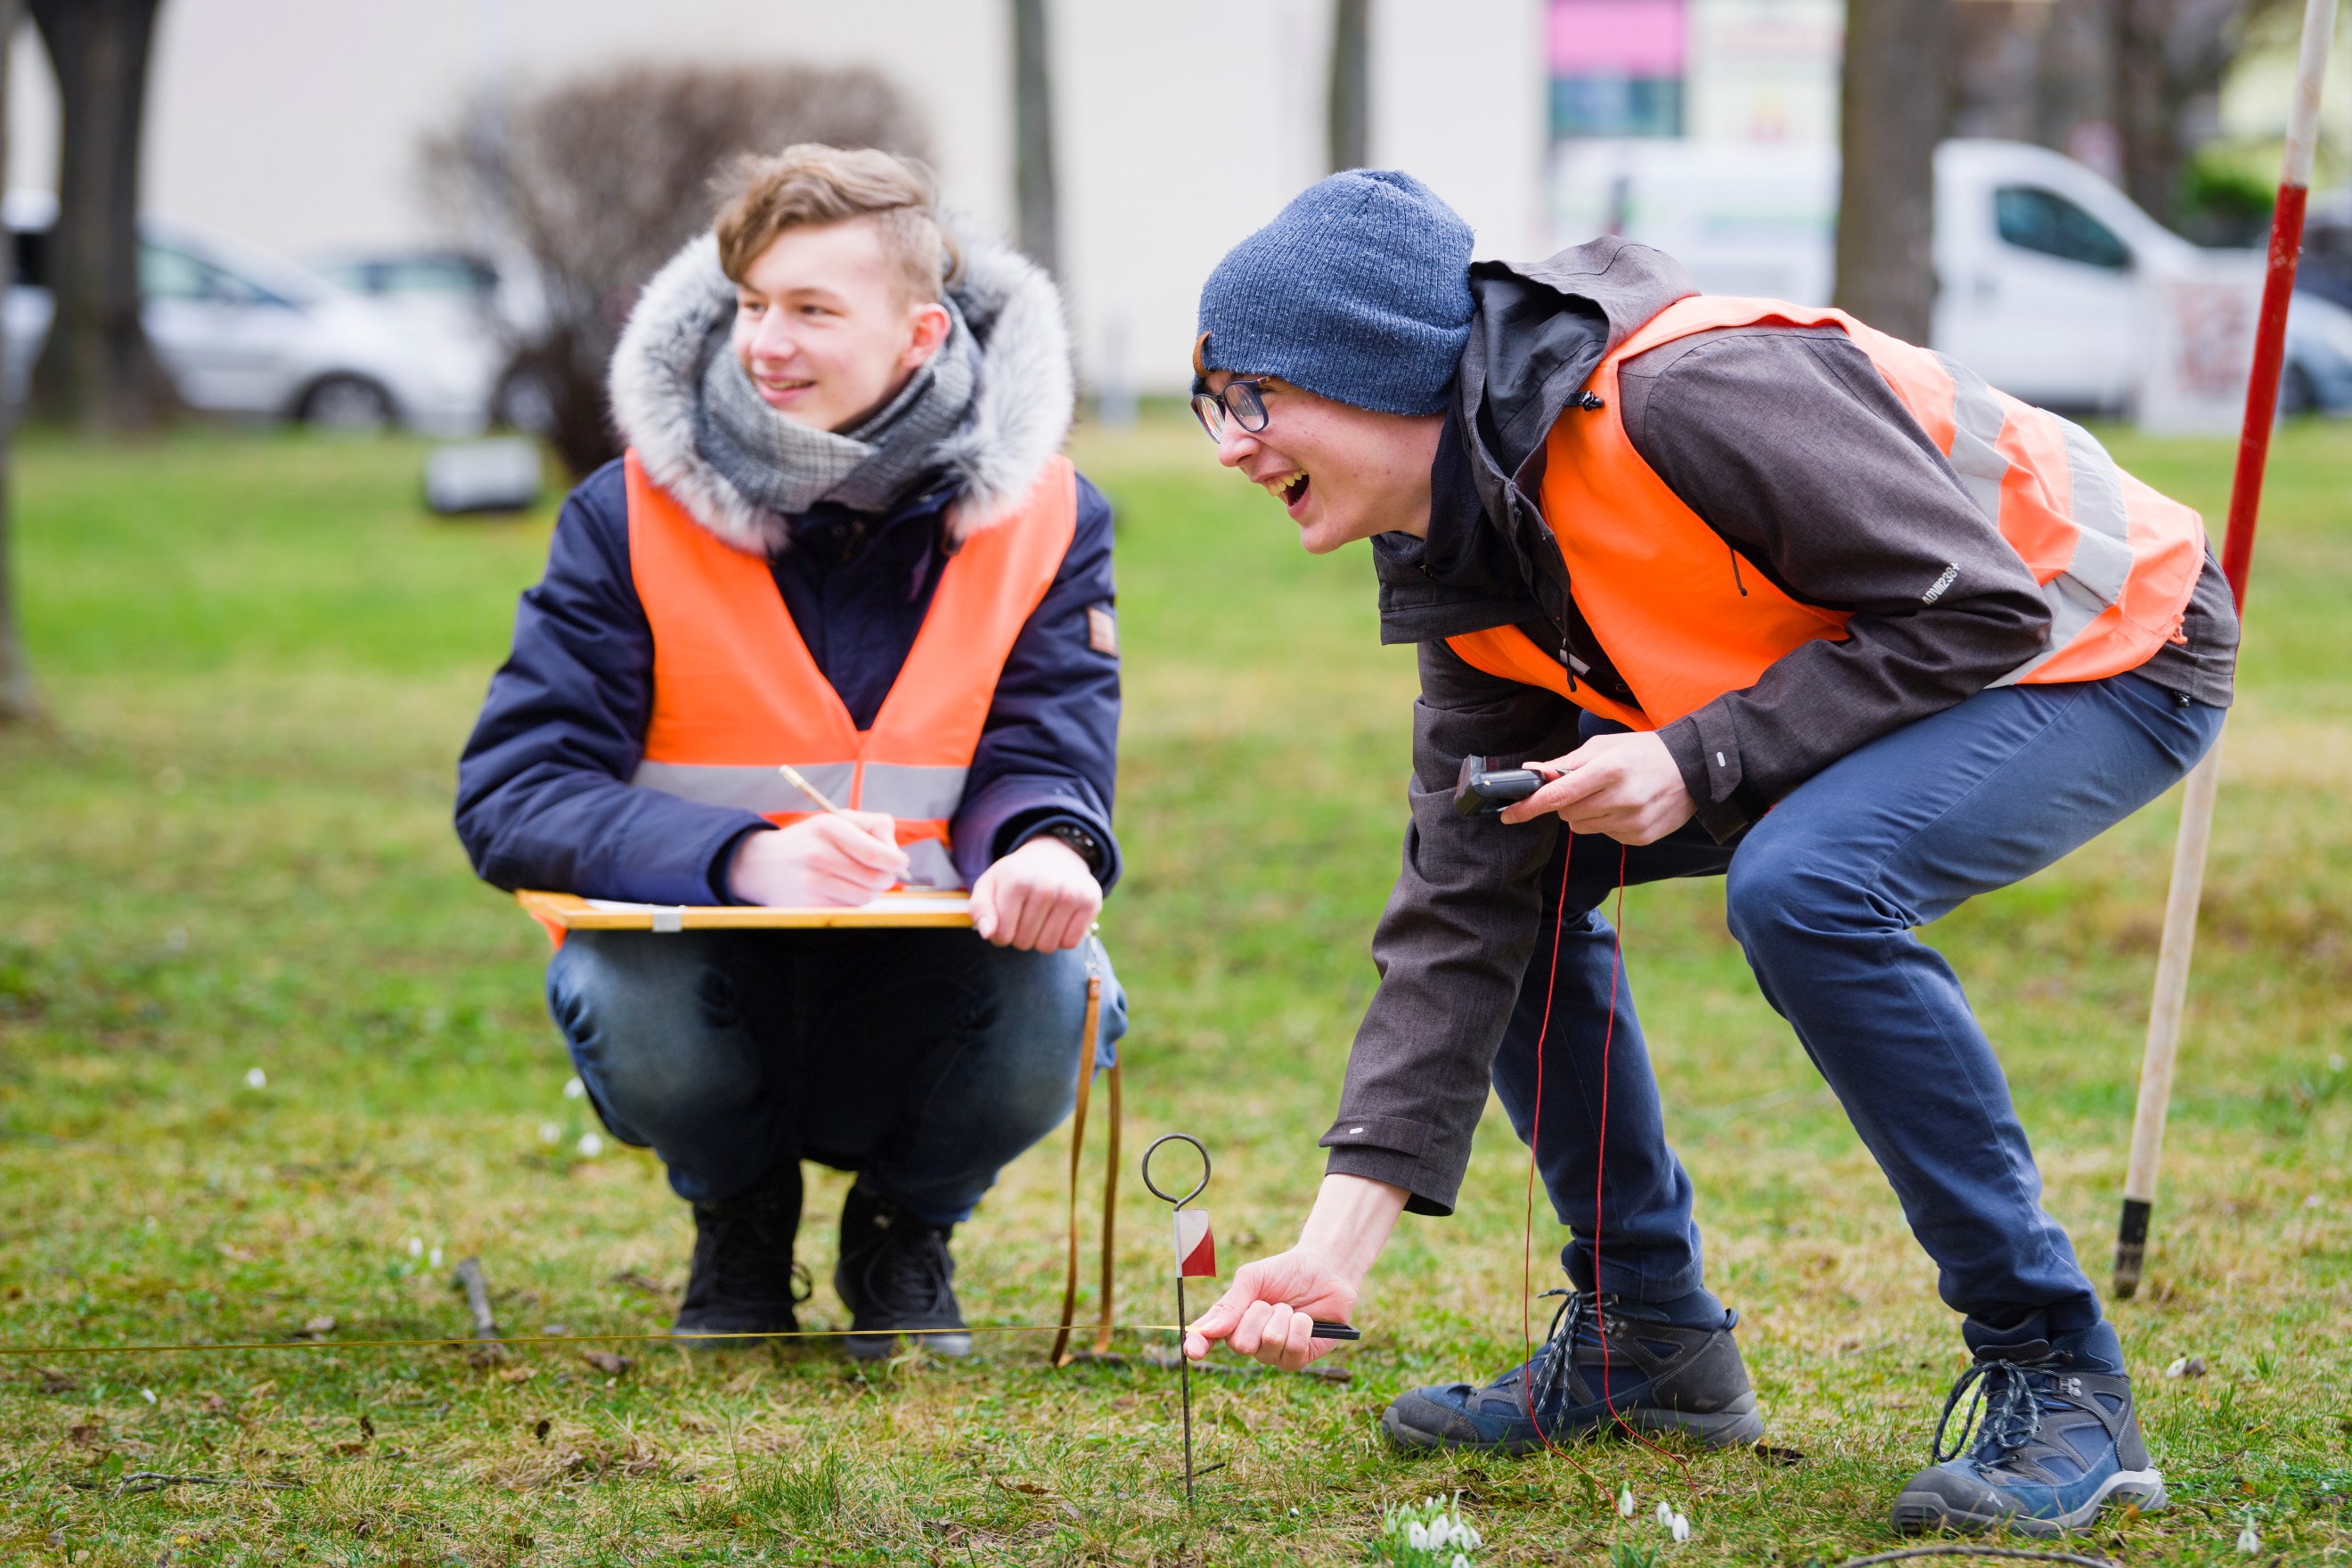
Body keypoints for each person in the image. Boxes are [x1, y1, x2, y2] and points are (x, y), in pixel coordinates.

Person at [1179, 170, 2235, 1538]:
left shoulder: (1687, 392)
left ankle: (2062, 1376)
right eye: (1213, 408)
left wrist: (1691, 759)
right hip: (1893, 668)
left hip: (2101, 642)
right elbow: (1460, 907)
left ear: (1379, 370)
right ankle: (1650, 1342)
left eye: (1250, 398)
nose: (1226, 447)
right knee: (1520, 850)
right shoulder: (1464, 553)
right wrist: (1331, 1253)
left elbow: (1977, 606)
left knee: (1807, 887)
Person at [455, 144, 1127, 1359]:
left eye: (813, 310)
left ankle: (904, 1233)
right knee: (633, 996)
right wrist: (743, 858)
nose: (767, 341)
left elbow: (1048, 742)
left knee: (1070, 994)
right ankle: (741, 1223)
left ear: (921, 336)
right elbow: (513, 792)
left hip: (930, 979)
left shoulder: (1051, 516)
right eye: (755, 304)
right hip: (696, 972)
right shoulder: (627, 512)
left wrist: (1050, 843)